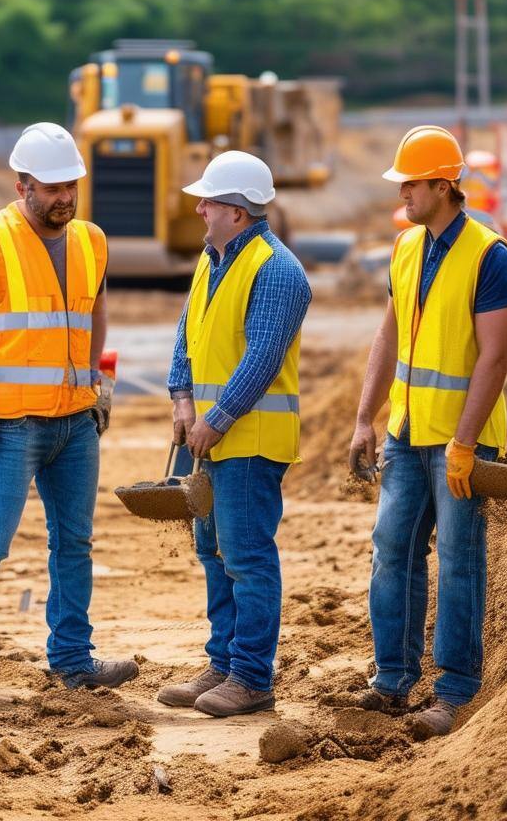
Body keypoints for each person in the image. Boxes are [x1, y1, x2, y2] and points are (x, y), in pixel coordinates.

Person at [0, 122, 132, 710]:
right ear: (22, 187)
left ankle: (72, 660)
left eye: (72, 187)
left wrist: (98, 379)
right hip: (11, 424)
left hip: (75, 422)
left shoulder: (92, 240)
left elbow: (96, 312)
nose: (64, 197)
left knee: (75, 544)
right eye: (52, 188)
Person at [347, 125, 507, 739]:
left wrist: (467, 443)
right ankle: (392, 680)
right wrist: (365, 416)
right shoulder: (406, 248)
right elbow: (388, 336)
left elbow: (493, 359)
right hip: (404, 431)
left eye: (411, 184)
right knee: (390, 551)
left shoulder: (491, 257)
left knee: (459, 561)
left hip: (458, 441)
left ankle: (454, 690)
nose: (403, 195)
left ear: (444, 186)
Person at [156, 150, 311, 718]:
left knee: (246, 556)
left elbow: (263, 356)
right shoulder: (213, 258)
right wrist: (180, 395)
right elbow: (187, 328)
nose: (199, 208)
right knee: (214, 555)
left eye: (210, 201)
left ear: (239, 212)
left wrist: (215, 418)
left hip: (249, 442)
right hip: (212, 438)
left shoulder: (276, 270)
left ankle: (250, 676)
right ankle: (222, 663)